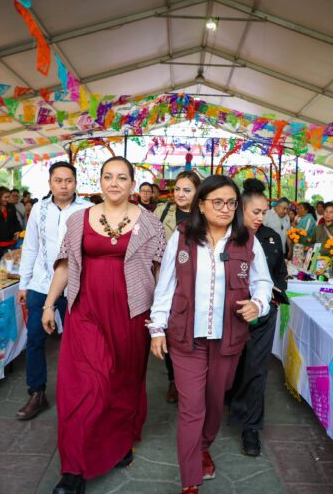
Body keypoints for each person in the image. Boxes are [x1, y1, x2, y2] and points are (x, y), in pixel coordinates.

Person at [41, 157, 166, 494]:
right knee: (86, 387)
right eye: (108, 177)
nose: (114, 183)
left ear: (132, 184)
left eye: (121, 177)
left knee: (122, 384)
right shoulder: (78, 220)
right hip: (86, 312)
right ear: (99, 182)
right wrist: (50, 304)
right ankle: (74, 471)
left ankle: (120, 441)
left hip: (131, 314)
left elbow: (160, 274)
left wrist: (160, 319)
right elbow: (65, 265)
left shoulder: (152, 224)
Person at [148, 175, 273, 494]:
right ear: (200, 205)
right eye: (217, 201)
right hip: (186, 338)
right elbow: (167, 284)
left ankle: (204, 445)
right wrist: (157, 327)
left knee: (216, 401)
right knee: (192, 408)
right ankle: (190, 481)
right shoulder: (183, 236)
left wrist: (258, 304)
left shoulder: (247, 239)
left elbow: (263, 282)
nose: (225, 208)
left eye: (231, 202)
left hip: (228, 338)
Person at [16, 161, 92, 421]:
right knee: (35, 339)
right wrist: (23, 283)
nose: (63, 185)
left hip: (76, 287)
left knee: (79, 343)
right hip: (41, 284)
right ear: (49, 183)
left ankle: (79, 394)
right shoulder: (39, 209)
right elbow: (30, 247)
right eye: (58, 180)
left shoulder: (88, 210)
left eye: (68, 180)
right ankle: (37, 393)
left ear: (75, 182)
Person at [227, 178, 287, 457]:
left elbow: (281, 274)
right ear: (241, 208)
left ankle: (250, 426)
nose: (261, 217)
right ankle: (226, 404)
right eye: (256, 212)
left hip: (263, 314)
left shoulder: (272, 237)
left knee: (256, 369)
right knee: (230, 368)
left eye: (265, 212)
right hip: (230, 315)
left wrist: (273, 295)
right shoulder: (227, 235)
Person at [154, 170, 201, 403]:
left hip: (196, 281)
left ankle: (196, 379)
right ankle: (174, 380)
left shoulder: (204, 216)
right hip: (168, 279)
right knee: (173, 331)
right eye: (177, 189)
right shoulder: (163, 212)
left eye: (187, 190)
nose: (180, 194)